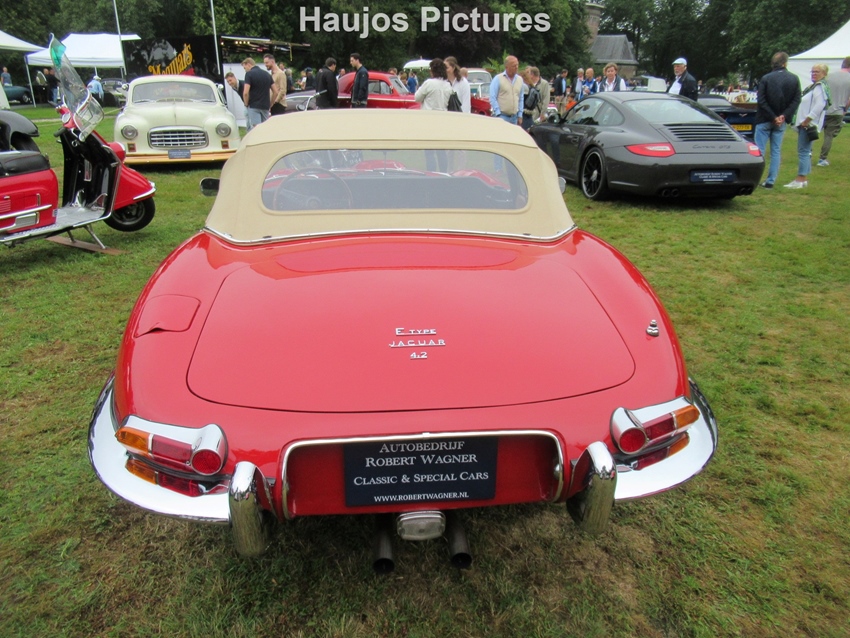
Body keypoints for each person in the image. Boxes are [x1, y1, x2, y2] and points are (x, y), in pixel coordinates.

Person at [754, 51, 801, 188]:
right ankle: (771, 181)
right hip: (781, 120)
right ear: (785, 63)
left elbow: (761, 100)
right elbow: (796, 99)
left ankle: (755, 178)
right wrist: (783, 116)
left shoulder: (766, 78)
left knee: (759, 150)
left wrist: (773, 116)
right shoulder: (794, 79)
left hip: (764, 118)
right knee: (776, 151)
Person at [785, 64, 830, 189]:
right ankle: (803, 179)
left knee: (803, 152)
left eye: (817, 72)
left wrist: (807, 120)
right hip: (806, 123)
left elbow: (820, 105)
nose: (814, 74)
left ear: (824, 73)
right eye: (812, 72)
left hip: (808, 125)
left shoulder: (819, 87)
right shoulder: (814, 87)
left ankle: (800, 179)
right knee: (806, 151)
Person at [818, 56, 850, 166]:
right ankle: (822, 159)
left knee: (813, 132)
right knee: (829, 135)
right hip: (837, 111)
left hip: (823, 110)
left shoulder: (828, 76)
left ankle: (808, 152)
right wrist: (845, 109)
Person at [489, 55, 524, 125]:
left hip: (514, 118)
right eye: (514, 66)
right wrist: (498, 113)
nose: (516, 67)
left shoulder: (520, 80)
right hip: (502, 116)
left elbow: (521, 98)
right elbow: (492, 97)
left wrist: (520, 115)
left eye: (517, 65)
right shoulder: (498, 79)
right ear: (507, 67)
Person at [241, 57, 273, 130]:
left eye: (244, 68)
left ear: (248, 64)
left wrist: (246, 104)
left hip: (254, 105)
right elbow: (275, 91)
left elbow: (245, 92)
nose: (245, 70)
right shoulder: (267, 74)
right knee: (265, 128)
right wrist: (271, 103)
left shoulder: (249, 74)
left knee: (256, 129)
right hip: (265, 106)